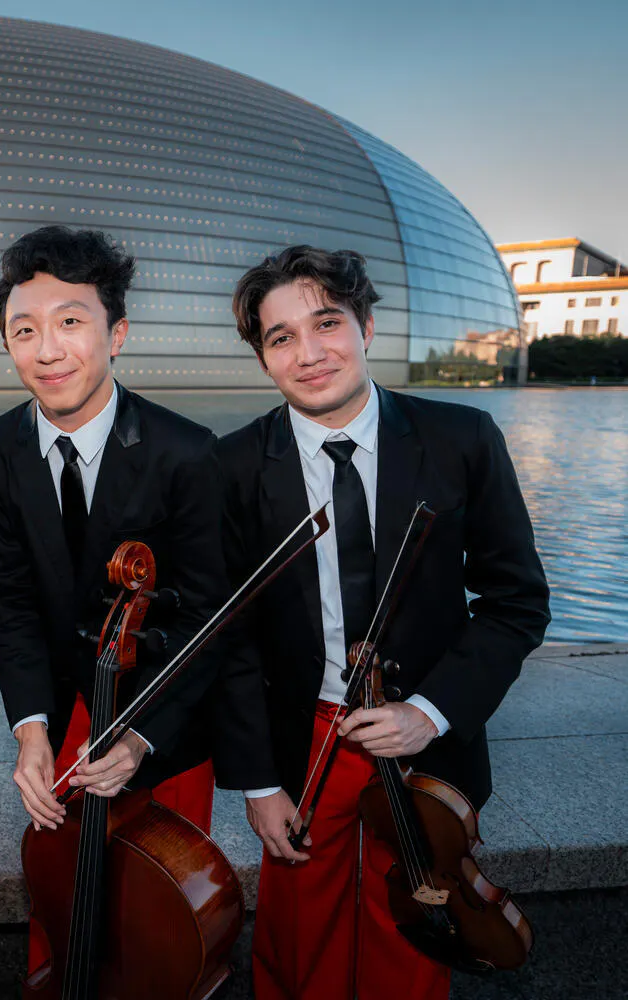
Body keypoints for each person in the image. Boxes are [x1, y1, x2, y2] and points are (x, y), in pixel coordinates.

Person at [214, 245, 550, 999]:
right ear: (263, 358)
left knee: (415, 945)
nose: (309, 353)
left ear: (365, 325)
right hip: (304, 749)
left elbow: (517, 602)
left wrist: (430, 712)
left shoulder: (462, 439)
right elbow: (230, 637)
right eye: (280, 337)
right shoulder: (232, 465)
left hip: (427, 756)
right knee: (296, 948)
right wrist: (257, 782)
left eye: (326, 323)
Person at [0, 225, 224, 834]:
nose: (47, 351)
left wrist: (141, 738)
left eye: (70, 322)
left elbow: (207, 618)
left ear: (117, 333)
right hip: (59, 724)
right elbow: (12, 603)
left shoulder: (186, 453)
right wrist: (29, 728)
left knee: (166, 920)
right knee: (60, 913)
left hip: (162, 730)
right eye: (24, 330)